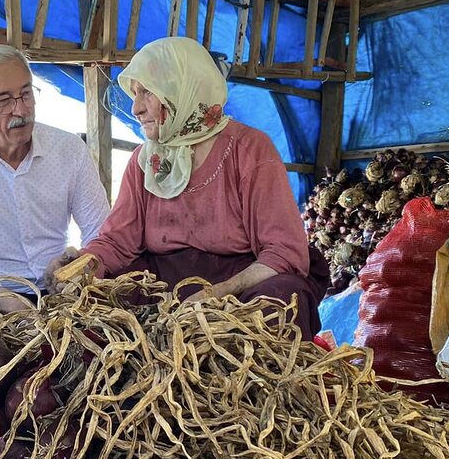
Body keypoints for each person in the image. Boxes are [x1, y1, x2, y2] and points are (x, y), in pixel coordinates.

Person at [48, 36, 327, 337]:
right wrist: (84, 266)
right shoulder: (144, 161)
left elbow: (284, 252)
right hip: (162, 287)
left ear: (181, 89)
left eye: (147, 93)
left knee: (284, 302)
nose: (136, 108)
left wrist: (216, 295)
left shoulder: (249, 149)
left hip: (239, 285)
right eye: (135, 93)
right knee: (95, 307)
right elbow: (117, 242)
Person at [0, 44, 110, 297]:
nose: (21, 110)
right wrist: (2, 301)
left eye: (26, 94)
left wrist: (78, 268)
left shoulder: (69, 149)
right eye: (3, 101)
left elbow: (100, 231)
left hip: (63, 289)